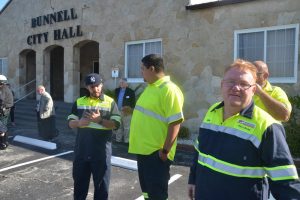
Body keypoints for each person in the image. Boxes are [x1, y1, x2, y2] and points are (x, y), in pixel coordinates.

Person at [188, 59, 300, 200]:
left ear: (254, 90)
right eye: (231, 82)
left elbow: (286, 185)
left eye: (244, 84)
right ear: (222, 85)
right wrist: (193, 179)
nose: (236, 87)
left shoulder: (268, 127)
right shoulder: (212, 111)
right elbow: (200, 150)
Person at [129, 54, 184, 200]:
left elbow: (175, 123)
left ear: (151, 68)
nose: (141, 72)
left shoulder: (169, 90)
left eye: (142, 68)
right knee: (148, 194)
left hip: (156, 154)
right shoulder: (151, 87)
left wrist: (165, 151)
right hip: (143, 151)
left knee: (157, 196)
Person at [68, 73, 121, 200]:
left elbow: (116, 124)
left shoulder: (110, 102)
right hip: (82, 152)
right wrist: (79, 123)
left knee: (102, 189)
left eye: (97, 85)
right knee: (79, 189)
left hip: (101, 154)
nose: (95, 89)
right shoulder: (79, 102)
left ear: (101, 85)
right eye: (92, 86)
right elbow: (70, 123)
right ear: (87, 87)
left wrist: (100, 121)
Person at [114, 78, 135, 143]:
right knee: (119, 126)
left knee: (127, 127)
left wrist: (129, 109)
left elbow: (133, 102)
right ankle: (118, 140)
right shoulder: (116, 90)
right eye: (120, 82)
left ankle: (127, 141)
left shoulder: (130, 91)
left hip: (127, 112)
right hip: (118, 111)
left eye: (122, 82)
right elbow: (114, 100)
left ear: (126, 84)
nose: (121, 84)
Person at [0, 75, 13, 150]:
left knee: (2, 128)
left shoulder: (4, 89)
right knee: (2, 127)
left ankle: (3, 143)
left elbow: (1, 100)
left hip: (4, 111)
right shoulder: (4, 88)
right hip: (4, 110)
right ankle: (3, 142)